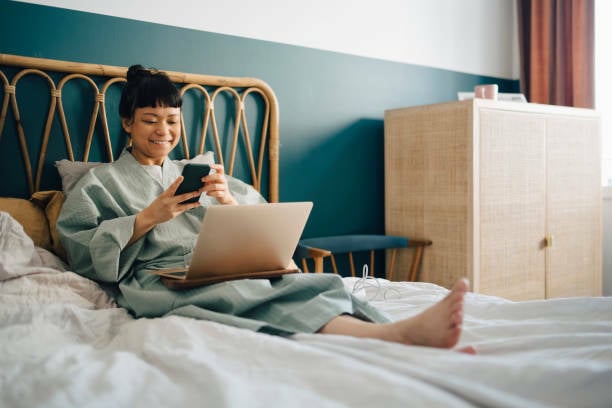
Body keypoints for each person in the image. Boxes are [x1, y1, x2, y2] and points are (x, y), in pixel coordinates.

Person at [57, 65, 473, 352]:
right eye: (150, 120)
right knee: (241, 292)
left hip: (222, 263)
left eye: (172, 120)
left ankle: (390, 329)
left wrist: (227, 200)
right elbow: (79, 251)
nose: (163, 131)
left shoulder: (196, 171)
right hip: (160, 279)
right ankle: (392, 339)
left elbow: (263, 227)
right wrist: (148, 218)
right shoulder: (100, 182)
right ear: (127, 122)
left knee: (314, 283)